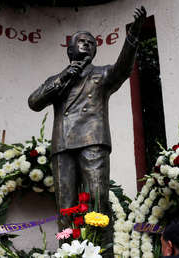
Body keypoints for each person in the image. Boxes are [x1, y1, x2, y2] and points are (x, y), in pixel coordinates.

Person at [28, 7, 147, 229]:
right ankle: (67, 251)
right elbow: (34, 102)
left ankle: (101, 250)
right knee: (66, 206)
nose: (88, 44)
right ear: (70, 49)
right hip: (63, 145)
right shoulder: (58, 79)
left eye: (92, 43)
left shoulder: (102, 74)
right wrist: (65, 76)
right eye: (82, 41)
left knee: (97, 200)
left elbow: (122, 69)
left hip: (93, 141)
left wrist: (132, 38)